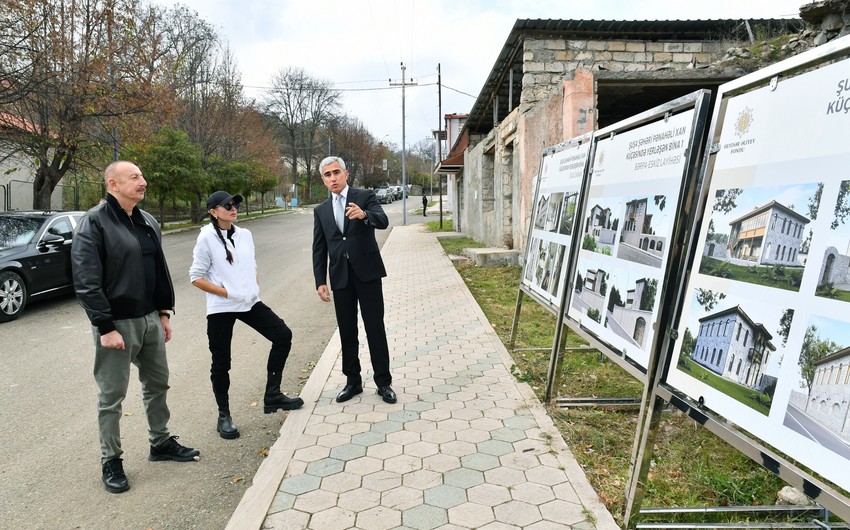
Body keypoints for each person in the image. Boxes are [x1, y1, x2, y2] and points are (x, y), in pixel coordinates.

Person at [72, 161, 200, 495]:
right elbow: (86, 281)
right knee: (112, 396)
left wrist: (163, 312)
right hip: (116, 324)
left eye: (143, 176)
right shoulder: (94, 222)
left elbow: (158, 270)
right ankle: (110, 460)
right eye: (135, 177)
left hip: (150, 320)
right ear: (113, 184)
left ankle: (160, 443)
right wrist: (104, 326)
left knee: (158, 384)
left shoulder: (148, 221)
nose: (143, 181)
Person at [189, 191, 303, 440]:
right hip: (222, 306)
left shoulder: (245, 235)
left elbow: (250, 265)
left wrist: (251, 286)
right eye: (227, 205)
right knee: (221, 363)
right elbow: (196, 277)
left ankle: (273, 394)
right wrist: (226, 292)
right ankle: (224, 415)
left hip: (249, 302)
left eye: (235, 204)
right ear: (213, 211)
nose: (233, 208)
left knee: (282, 335)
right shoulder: (206, 238)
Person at [312, 156, 396, 404]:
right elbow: (319, 248)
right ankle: (353, 382)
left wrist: (364, 215)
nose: (333, 178)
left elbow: (383, 221)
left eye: (336, 172)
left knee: (375, 328)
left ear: (346, 174)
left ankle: (384, 383)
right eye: (327, 175)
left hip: (367, 274)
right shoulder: (321, 210)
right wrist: (320, 280)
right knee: (347, 331)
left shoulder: (364, 196)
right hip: (340, 277)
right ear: (324, 180)